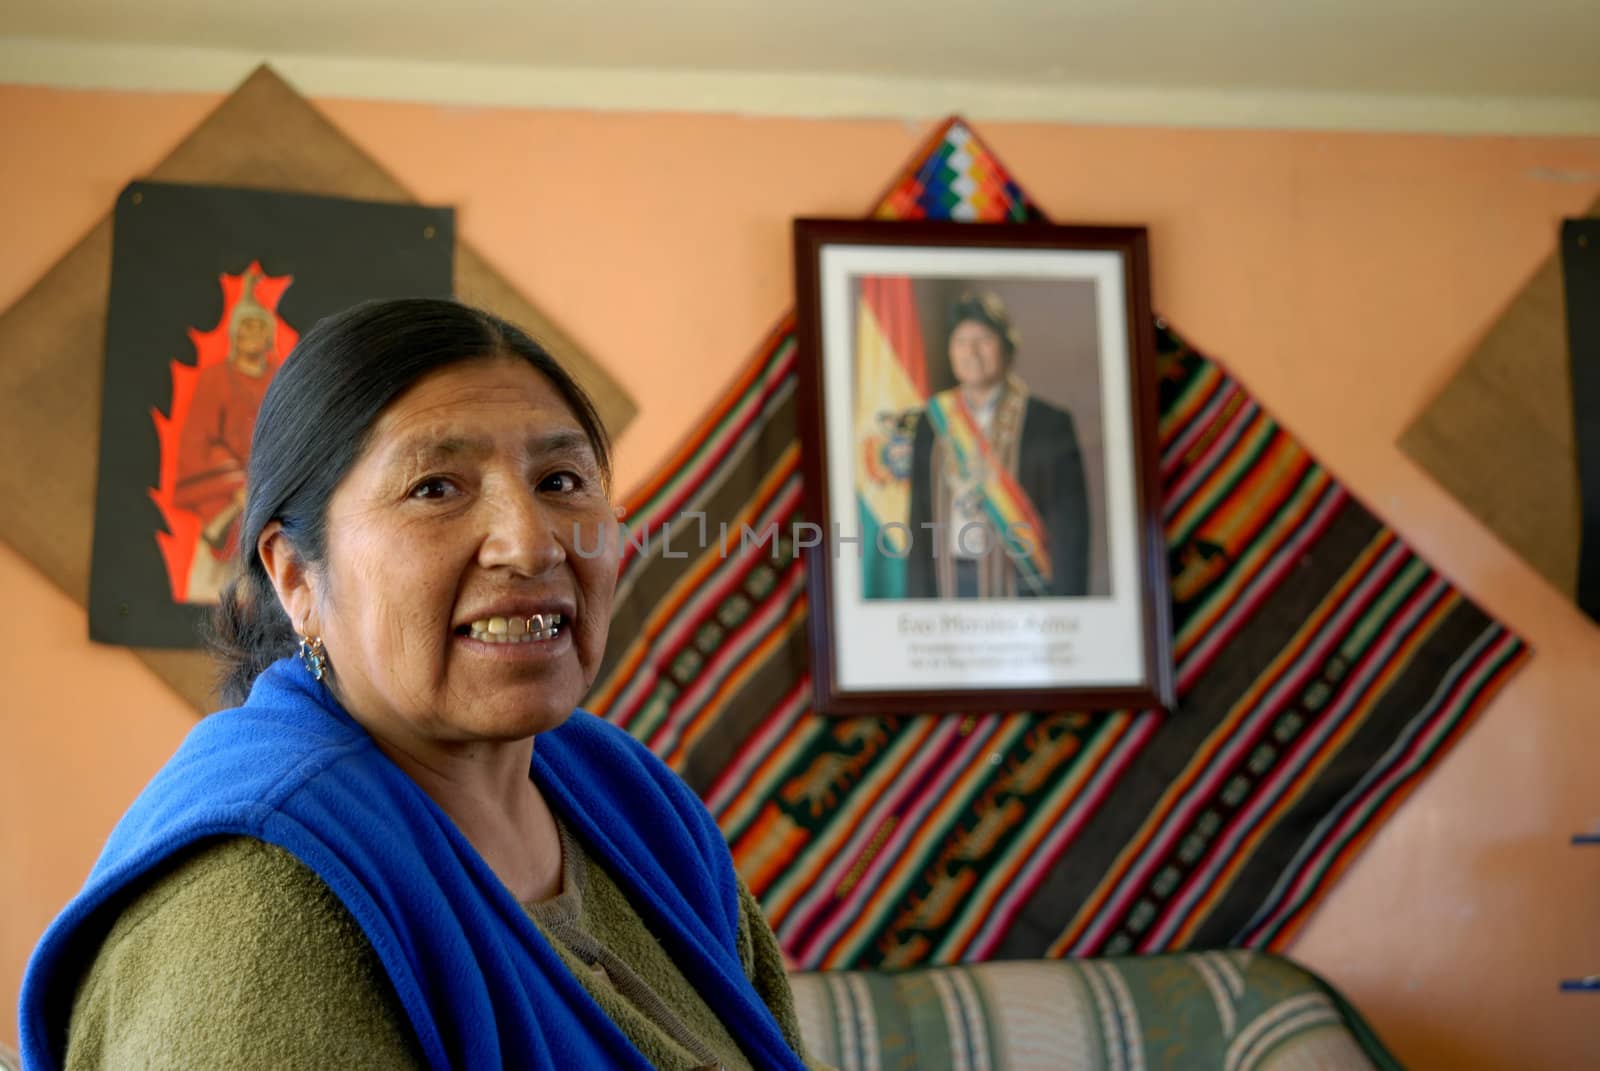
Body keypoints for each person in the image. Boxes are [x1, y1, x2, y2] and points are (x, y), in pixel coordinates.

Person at [21, 300, 823, 1070]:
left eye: (561, 481)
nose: (530, 545)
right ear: (297, 575)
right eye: (435, 488)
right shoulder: (252, 908)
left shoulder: (631, 797)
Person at [905, 290, 1091, 599]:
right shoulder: (931, 421)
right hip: (949, 583)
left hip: (1023, 585)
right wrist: (917, 598)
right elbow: (918, 521)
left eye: (983, 340)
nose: (971, 352)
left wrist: (1070, 605)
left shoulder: (1048, 423)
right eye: (961, 342)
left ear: (1007, 348)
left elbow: (1071, 526)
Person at [170, 268, 283, 604]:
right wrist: (236, 489)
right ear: (234, 334)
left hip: (268, 503)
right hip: (224, 504)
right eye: (246, 327)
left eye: (259, 327)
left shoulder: (279, 380)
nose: (252, 333)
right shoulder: (214, 379)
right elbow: (197, 441)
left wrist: (263, 488)